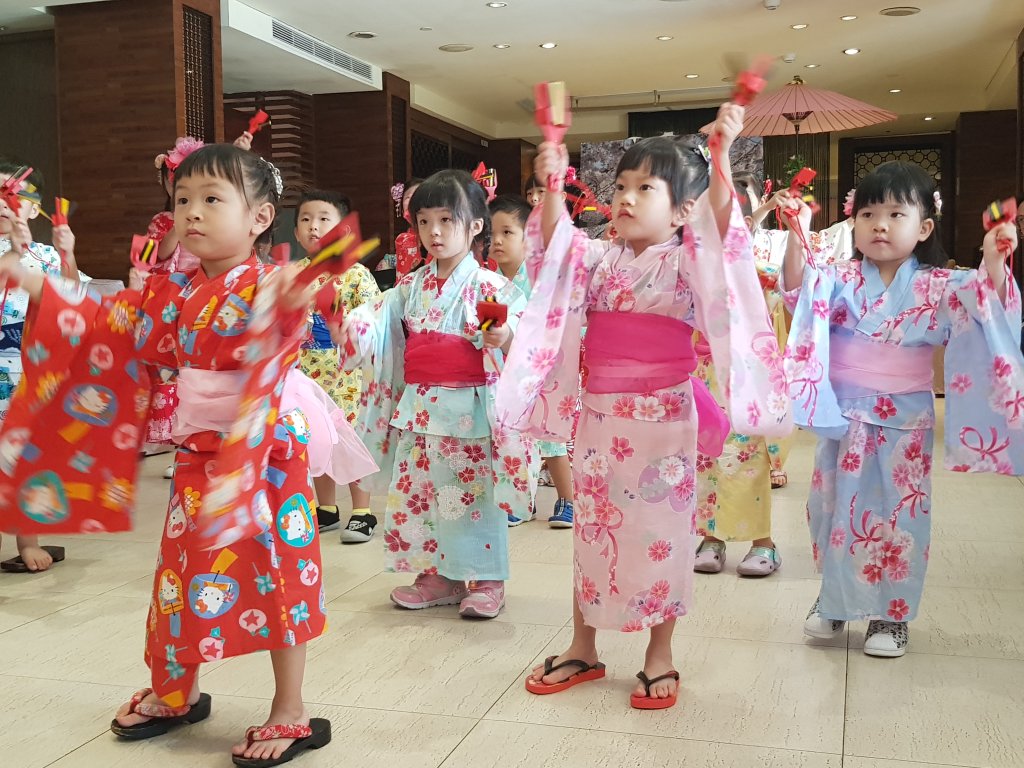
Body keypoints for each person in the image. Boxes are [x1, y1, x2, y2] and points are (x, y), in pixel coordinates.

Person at [0, 144, 378, 764]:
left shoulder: (268, 279)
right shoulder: (175, 288)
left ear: (259, 219)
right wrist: (43, 283)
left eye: (211, 200)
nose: (191, 214)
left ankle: (291, 709)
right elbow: (113, 321)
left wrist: (304, 290)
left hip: (263, 453)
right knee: (180, 572)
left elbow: (317, 306)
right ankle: (177, 690)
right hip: (201, 453)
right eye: (182, 201)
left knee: (278, 574)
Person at [496, 103, 790, 709]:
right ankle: (584, 646)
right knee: (593, 530)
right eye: (621, 187)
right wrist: (553, 184)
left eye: (645, 188)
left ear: (683, 209)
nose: (626, 198)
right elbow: (553, 247)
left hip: (665, 419)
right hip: (601, 418)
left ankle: (660, 655)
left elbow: (722, 232)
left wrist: (722, 156)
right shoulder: (598, 259)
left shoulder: (686, 260)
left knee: (663, 535)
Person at [781, 160, 1024, 657]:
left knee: (898, 512)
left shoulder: (940, 283)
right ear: (854, 223)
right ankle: (833, 601)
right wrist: (795, 234)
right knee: (831, 508)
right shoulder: (840, 276)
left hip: (904, 418)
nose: (880, 225)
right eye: (868, 214)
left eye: (895, 213)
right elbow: (796, 292)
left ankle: (890, 617)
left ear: (924, 226)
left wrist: (994, 260)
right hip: (843, 414)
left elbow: (987, 305)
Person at [334, 169, 533, 620]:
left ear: (475, 226)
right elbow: (376, 320)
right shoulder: (410, 285)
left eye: (447, 220)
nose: (435, 232)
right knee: (420, 494)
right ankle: (436, 575)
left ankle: (486, 579)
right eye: (424, 222)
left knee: (472, 497)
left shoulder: (487, 285)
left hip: (469, 409)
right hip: (420, 408)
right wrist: (351, 325)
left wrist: (504, 335)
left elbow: (520, 331)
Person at [0, 160, 88, 573]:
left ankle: (27, 538)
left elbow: (69, 296)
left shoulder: (47, 254)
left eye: (14, 195)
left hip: (27, 361)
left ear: (33, 210)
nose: (5, 202)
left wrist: (67, 253)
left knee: (24, 452)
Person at [292, 188, 381, 541]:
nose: (314, 227)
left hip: (348, 375)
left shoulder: (356, 275)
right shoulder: (290, 275)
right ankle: (325, 507)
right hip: (305, 374)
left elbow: (373, 318)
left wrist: (351, 328)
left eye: (324, 219)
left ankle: (363, 510)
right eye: (306, 219)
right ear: (296, 231)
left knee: (351, 438)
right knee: (318, 438)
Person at [489, 194, 575, 527]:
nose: (497, 241)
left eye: (507, 233)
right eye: (492, 234)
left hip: (542, 369)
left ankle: (567, 500)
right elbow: (487, 325)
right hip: (503, 369)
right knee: (509, 437)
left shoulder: (540, 277)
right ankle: (520, 499)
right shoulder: (490, 281)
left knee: (550, 439)